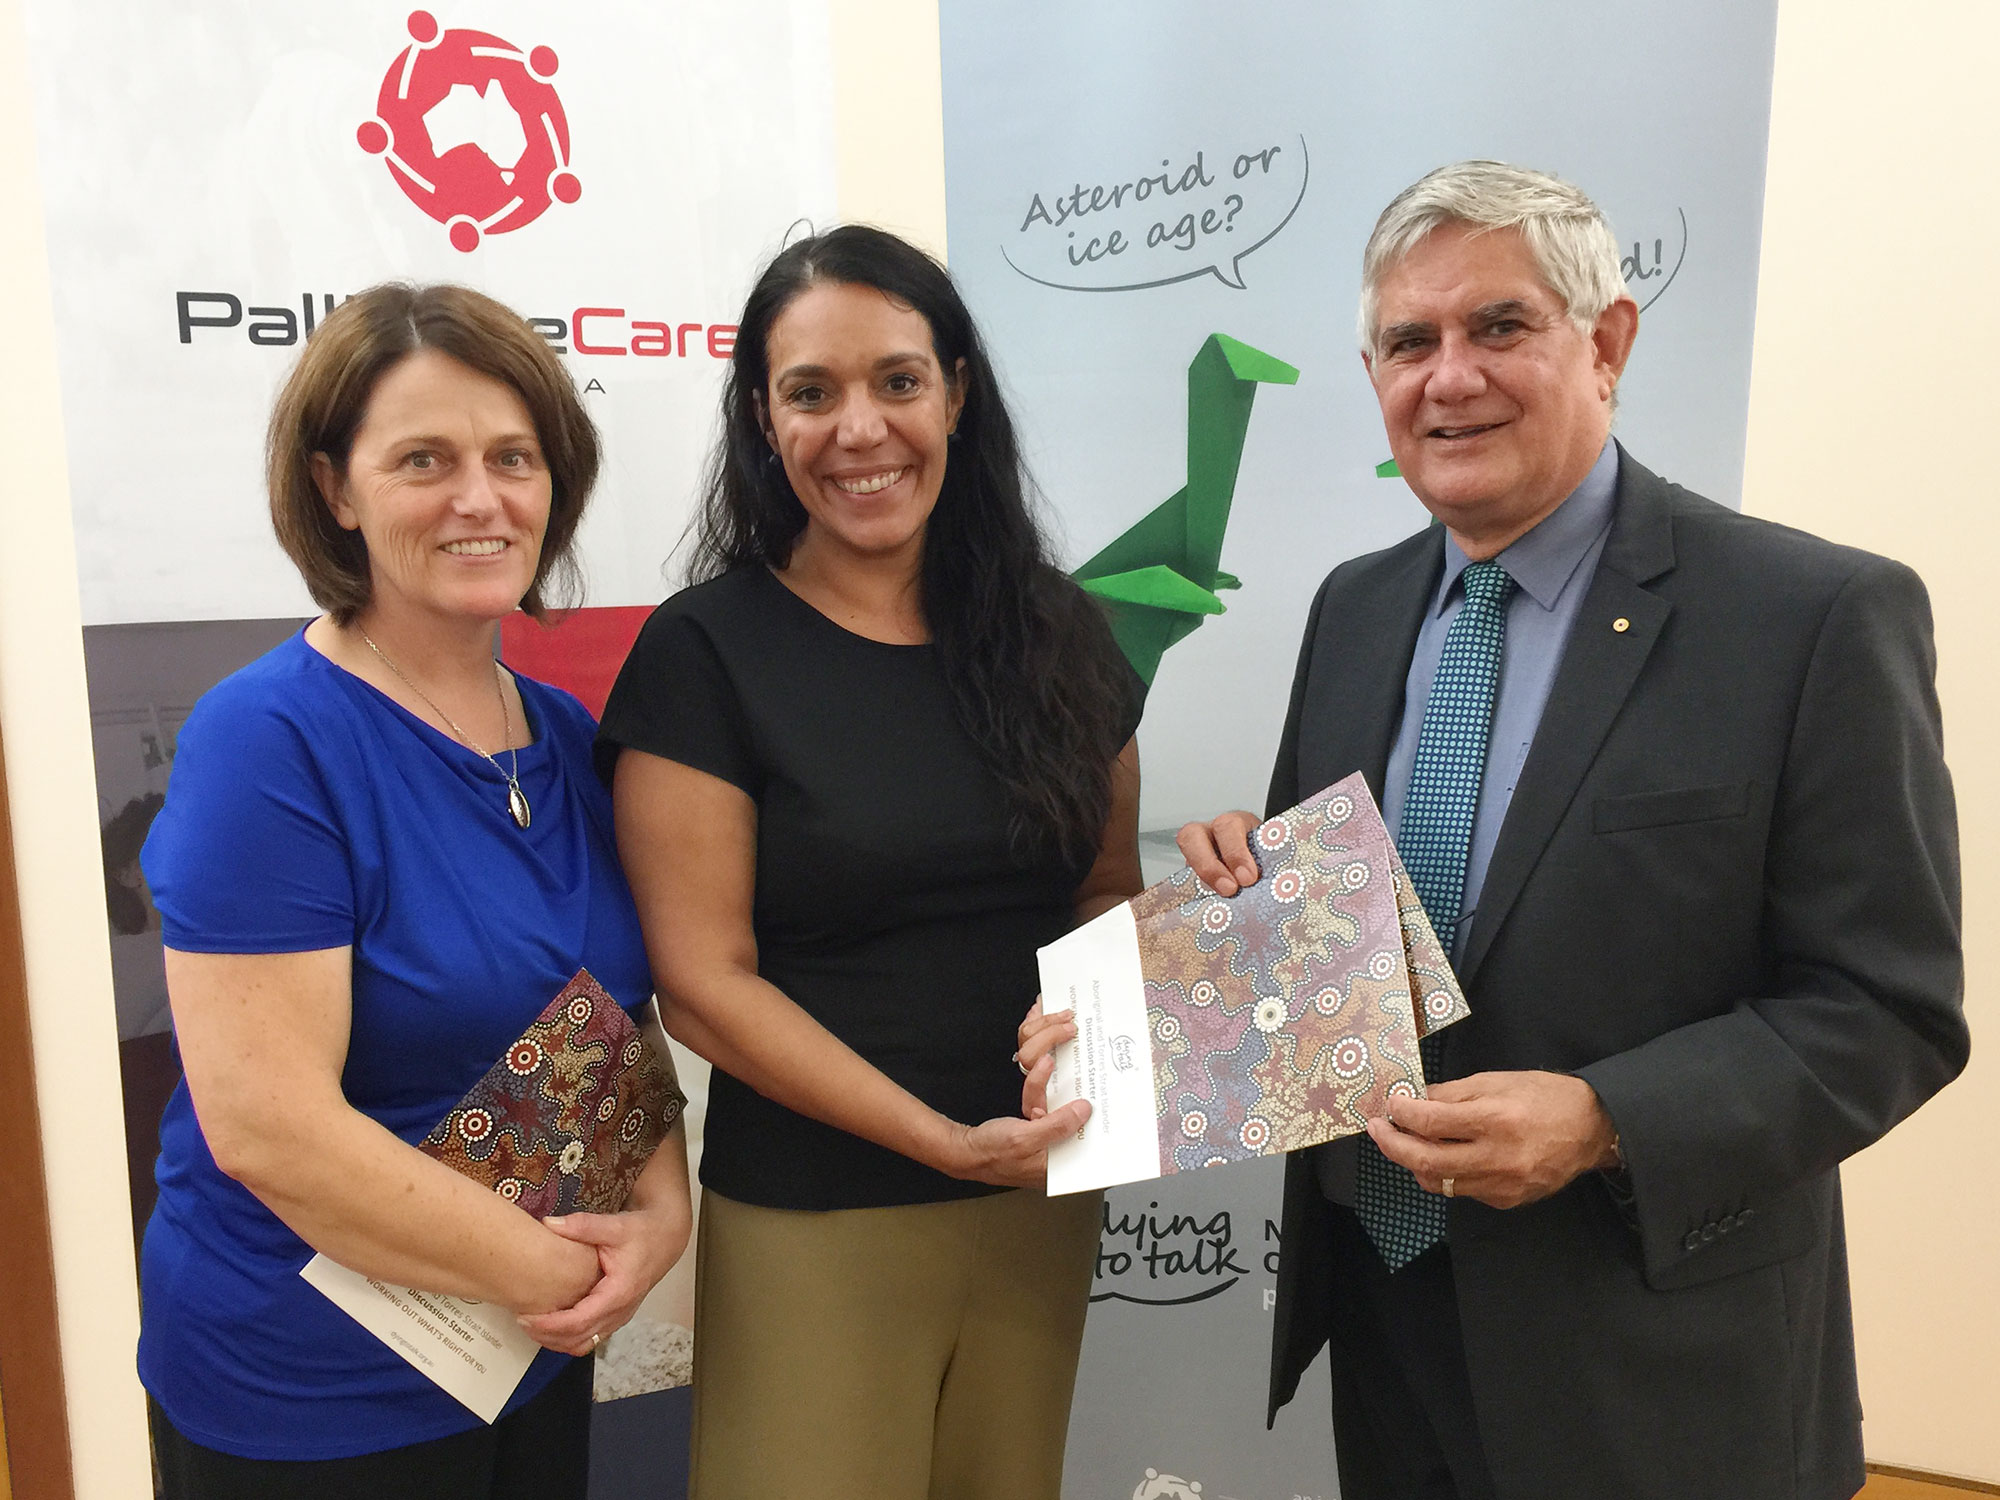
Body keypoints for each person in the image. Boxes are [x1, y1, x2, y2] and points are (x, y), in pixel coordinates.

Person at [1178, 161, 1967, 1500]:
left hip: (1657, 1369)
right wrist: (1218, 926)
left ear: (1606, 343)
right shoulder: (1352, 610)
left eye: (1499, 325)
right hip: (1385, 1320)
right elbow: (1339, 971)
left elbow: (1889, 1010)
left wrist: (1608, 1119)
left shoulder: (1809, 617)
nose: (1450, 376)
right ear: (1372, 375)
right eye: (1409, 342)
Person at [596, 224, 1142, 1499]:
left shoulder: (1059, 631)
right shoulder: (704, 654)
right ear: (762, 418)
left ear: (955, 392)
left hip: (1042, 1194)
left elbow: (1102, 892)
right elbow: (703, 985)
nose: (859, 430)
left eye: (897, 381)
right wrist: (939, 1140)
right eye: (810, 392)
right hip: (817, 1213)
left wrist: (1206, 918)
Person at [139, 283, 692, 1499]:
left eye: (513, 458)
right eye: (423, 460)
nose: (479, 498)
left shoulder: (562, 734)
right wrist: (556, 1272)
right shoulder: (267, 740)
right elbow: (269, 1128)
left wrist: (662, 1214)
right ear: (335, 488)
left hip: (524, 1358)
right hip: (308, 1394)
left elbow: (605, 1019)